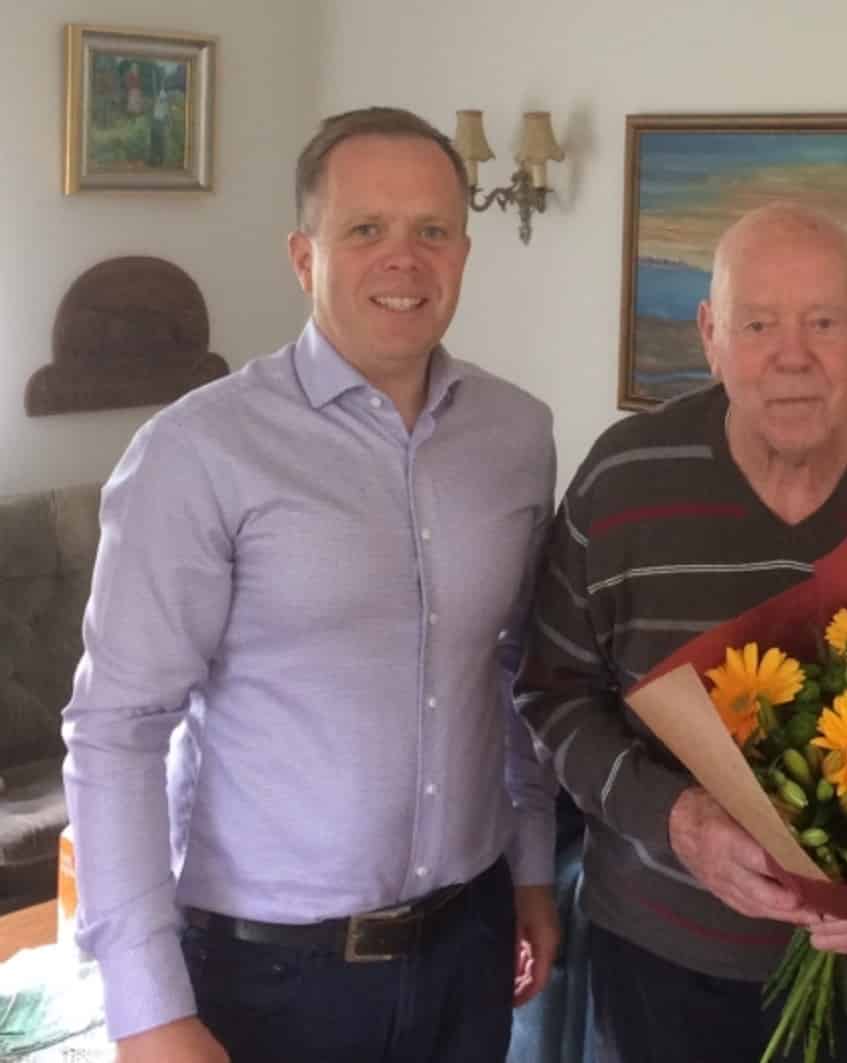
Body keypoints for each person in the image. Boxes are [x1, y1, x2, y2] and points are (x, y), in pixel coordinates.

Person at [61, 107, 560, 1063]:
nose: (403, 259)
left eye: (432, 230)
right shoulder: (198, 451)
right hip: (269, 977)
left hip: (470, 944)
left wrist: (532, 869)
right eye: (365, 228)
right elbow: (118, 728)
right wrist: (147, 1008)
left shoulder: (517, 435)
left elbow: (515, 669)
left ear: (464, 251)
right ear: (304, 256)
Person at [518, 202, 847, 1063]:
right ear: (709, 335)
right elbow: (550, 694)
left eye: (823, 321)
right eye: (757, 324)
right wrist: (674, 816)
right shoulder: (624, 479)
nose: (794, 355)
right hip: (660, 961)